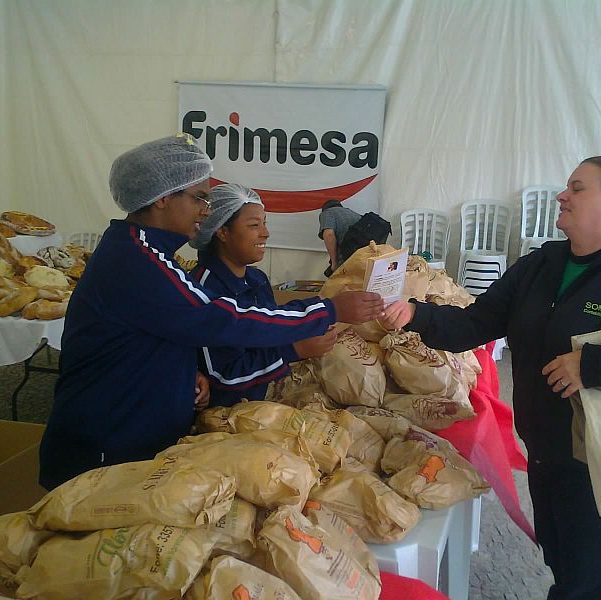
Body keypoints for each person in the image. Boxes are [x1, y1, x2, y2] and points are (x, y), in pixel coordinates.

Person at [380, 156, 601, 600]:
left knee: (592, 579)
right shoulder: (543, 264)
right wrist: (415, 313)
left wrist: (591, 365)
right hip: (547, 449)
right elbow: (478, 323)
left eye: (577, 187)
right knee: (563, 560)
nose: (561, 195)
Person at [39, 134, 384, 490]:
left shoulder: (148, 255)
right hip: (104, 450)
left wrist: (184, 370)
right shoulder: (136, 261)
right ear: (162, 197)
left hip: (134, 440)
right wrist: (325, 310)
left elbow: (166, 330)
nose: (206, 209)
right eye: (199, 197)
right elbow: (220, 320)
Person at [189, 183, 337, 407]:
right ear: (222, 232)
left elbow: (272, 323)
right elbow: (223, 376)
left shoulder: (256, 279)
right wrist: (294, 349)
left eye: (264, 223)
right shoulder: (204, 288)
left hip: (263, 401)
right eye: (253, 225)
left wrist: (308, 328)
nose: (265, 233)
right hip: (227, 415)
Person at [318, 199, 361, 275]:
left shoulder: (327, 212)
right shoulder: (353, 213)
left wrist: (334, 263)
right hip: (363, 256)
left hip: (347, 259)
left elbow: (329, 234)